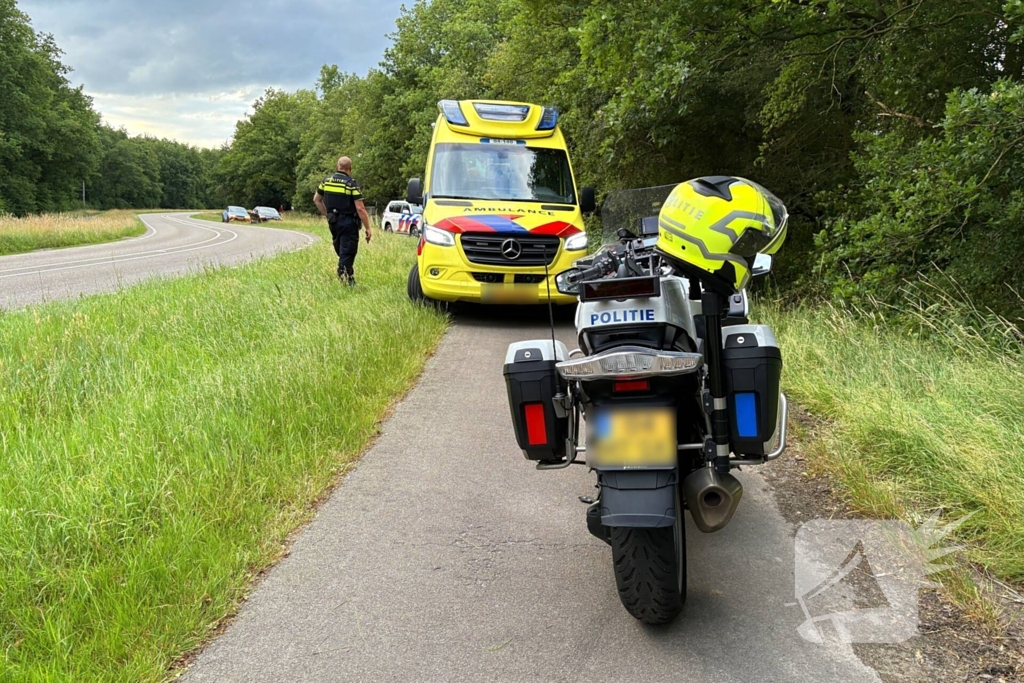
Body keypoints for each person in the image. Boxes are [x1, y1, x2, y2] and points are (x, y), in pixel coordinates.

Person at [313, 156, 372, 285]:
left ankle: (349, 278)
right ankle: (343, 278)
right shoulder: (351, 183)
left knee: (342, 250)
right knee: (348, 250)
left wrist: (327, 214)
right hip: (348, 223)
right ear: (350, 168)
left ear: (337, 166)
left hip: (333, 222)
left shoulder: (326, 181)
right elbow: (360, 208)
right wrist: (368, 228)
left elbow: (316, 200)